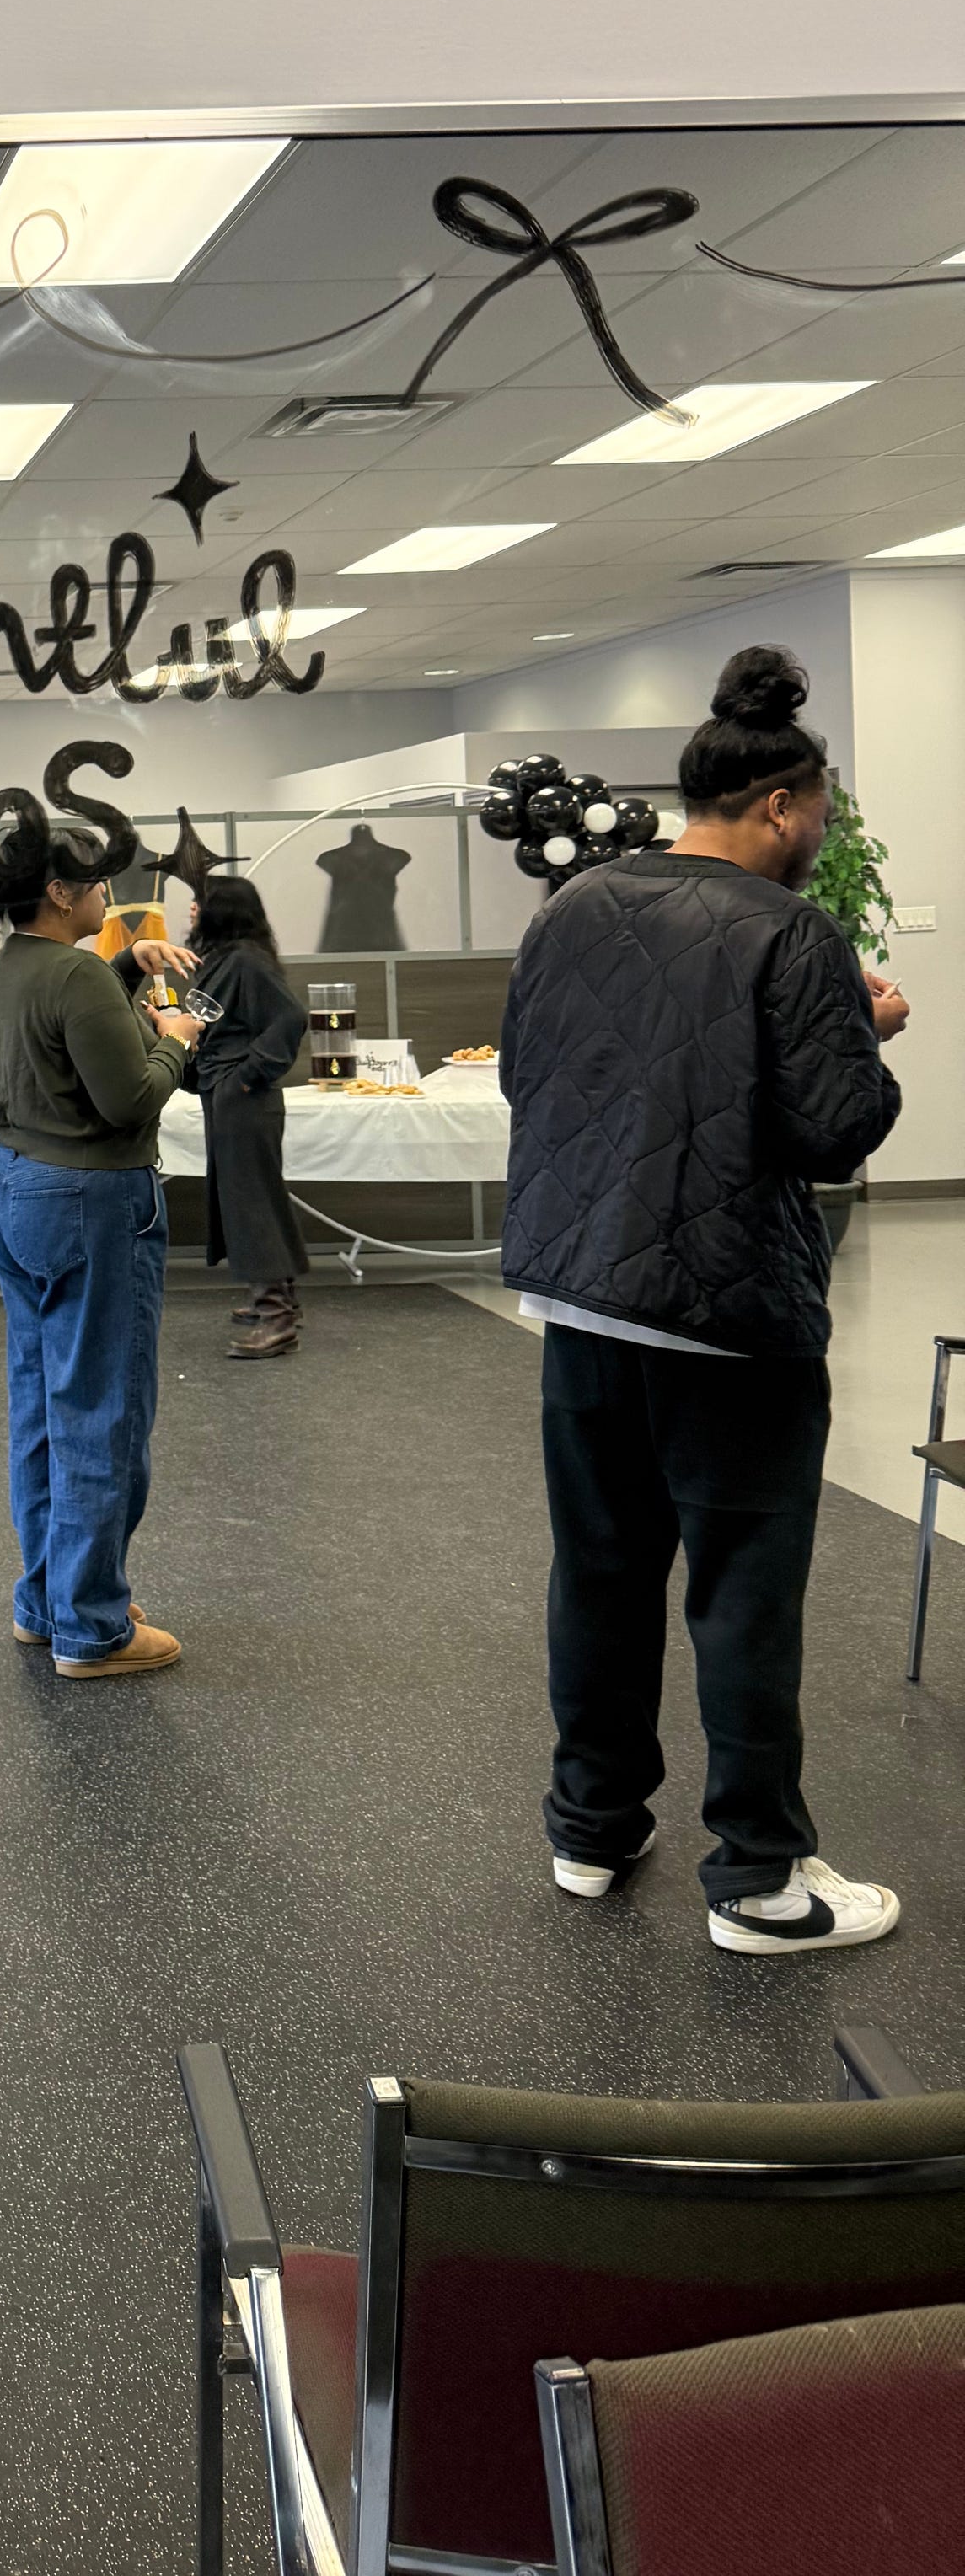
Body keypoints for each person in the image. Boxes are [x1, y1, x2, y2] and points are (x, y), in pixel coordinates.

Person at [501, 645, 910, 1954]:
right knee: (742, 1591)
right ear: (781, 805)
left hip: (583, 1303)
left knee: (601, 1573)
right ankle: (759, 1882)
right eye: (821, 815)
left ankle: (591, 1830)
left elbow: (526, 1078)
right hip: (731, 1319)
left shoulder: (570, 909)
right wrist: (868, 1035)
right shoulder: (794, 935)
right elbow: (836, 1130)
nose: (822, 837)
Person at [0, 812, 201, 1678]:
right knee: (103, 1410)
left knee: (40, 1409)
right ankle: (93, 1626)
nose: (108, 896)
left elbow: (67, 1021)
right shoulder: (78, 975)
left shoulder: (11, 965)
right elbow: (129, 1099)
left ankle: (48, 1601)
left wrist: (124, 969)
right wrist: (174, 1044)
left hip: (16, 1191)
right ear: (59, 893)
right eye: (97, 884)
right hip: (92, 1201)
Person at [170, 874, 310, 1358]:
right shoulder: (230, 959)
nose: (192, 909)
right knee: (252, 1197)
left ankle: (276, 1316)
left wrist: (247, 1076)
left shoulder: (245, 961)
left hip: (242, 1098)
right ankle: (279, 1299)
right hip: (230, 1095)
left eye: (199, 901)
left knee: (250, 1201)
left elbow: (290, 1018)